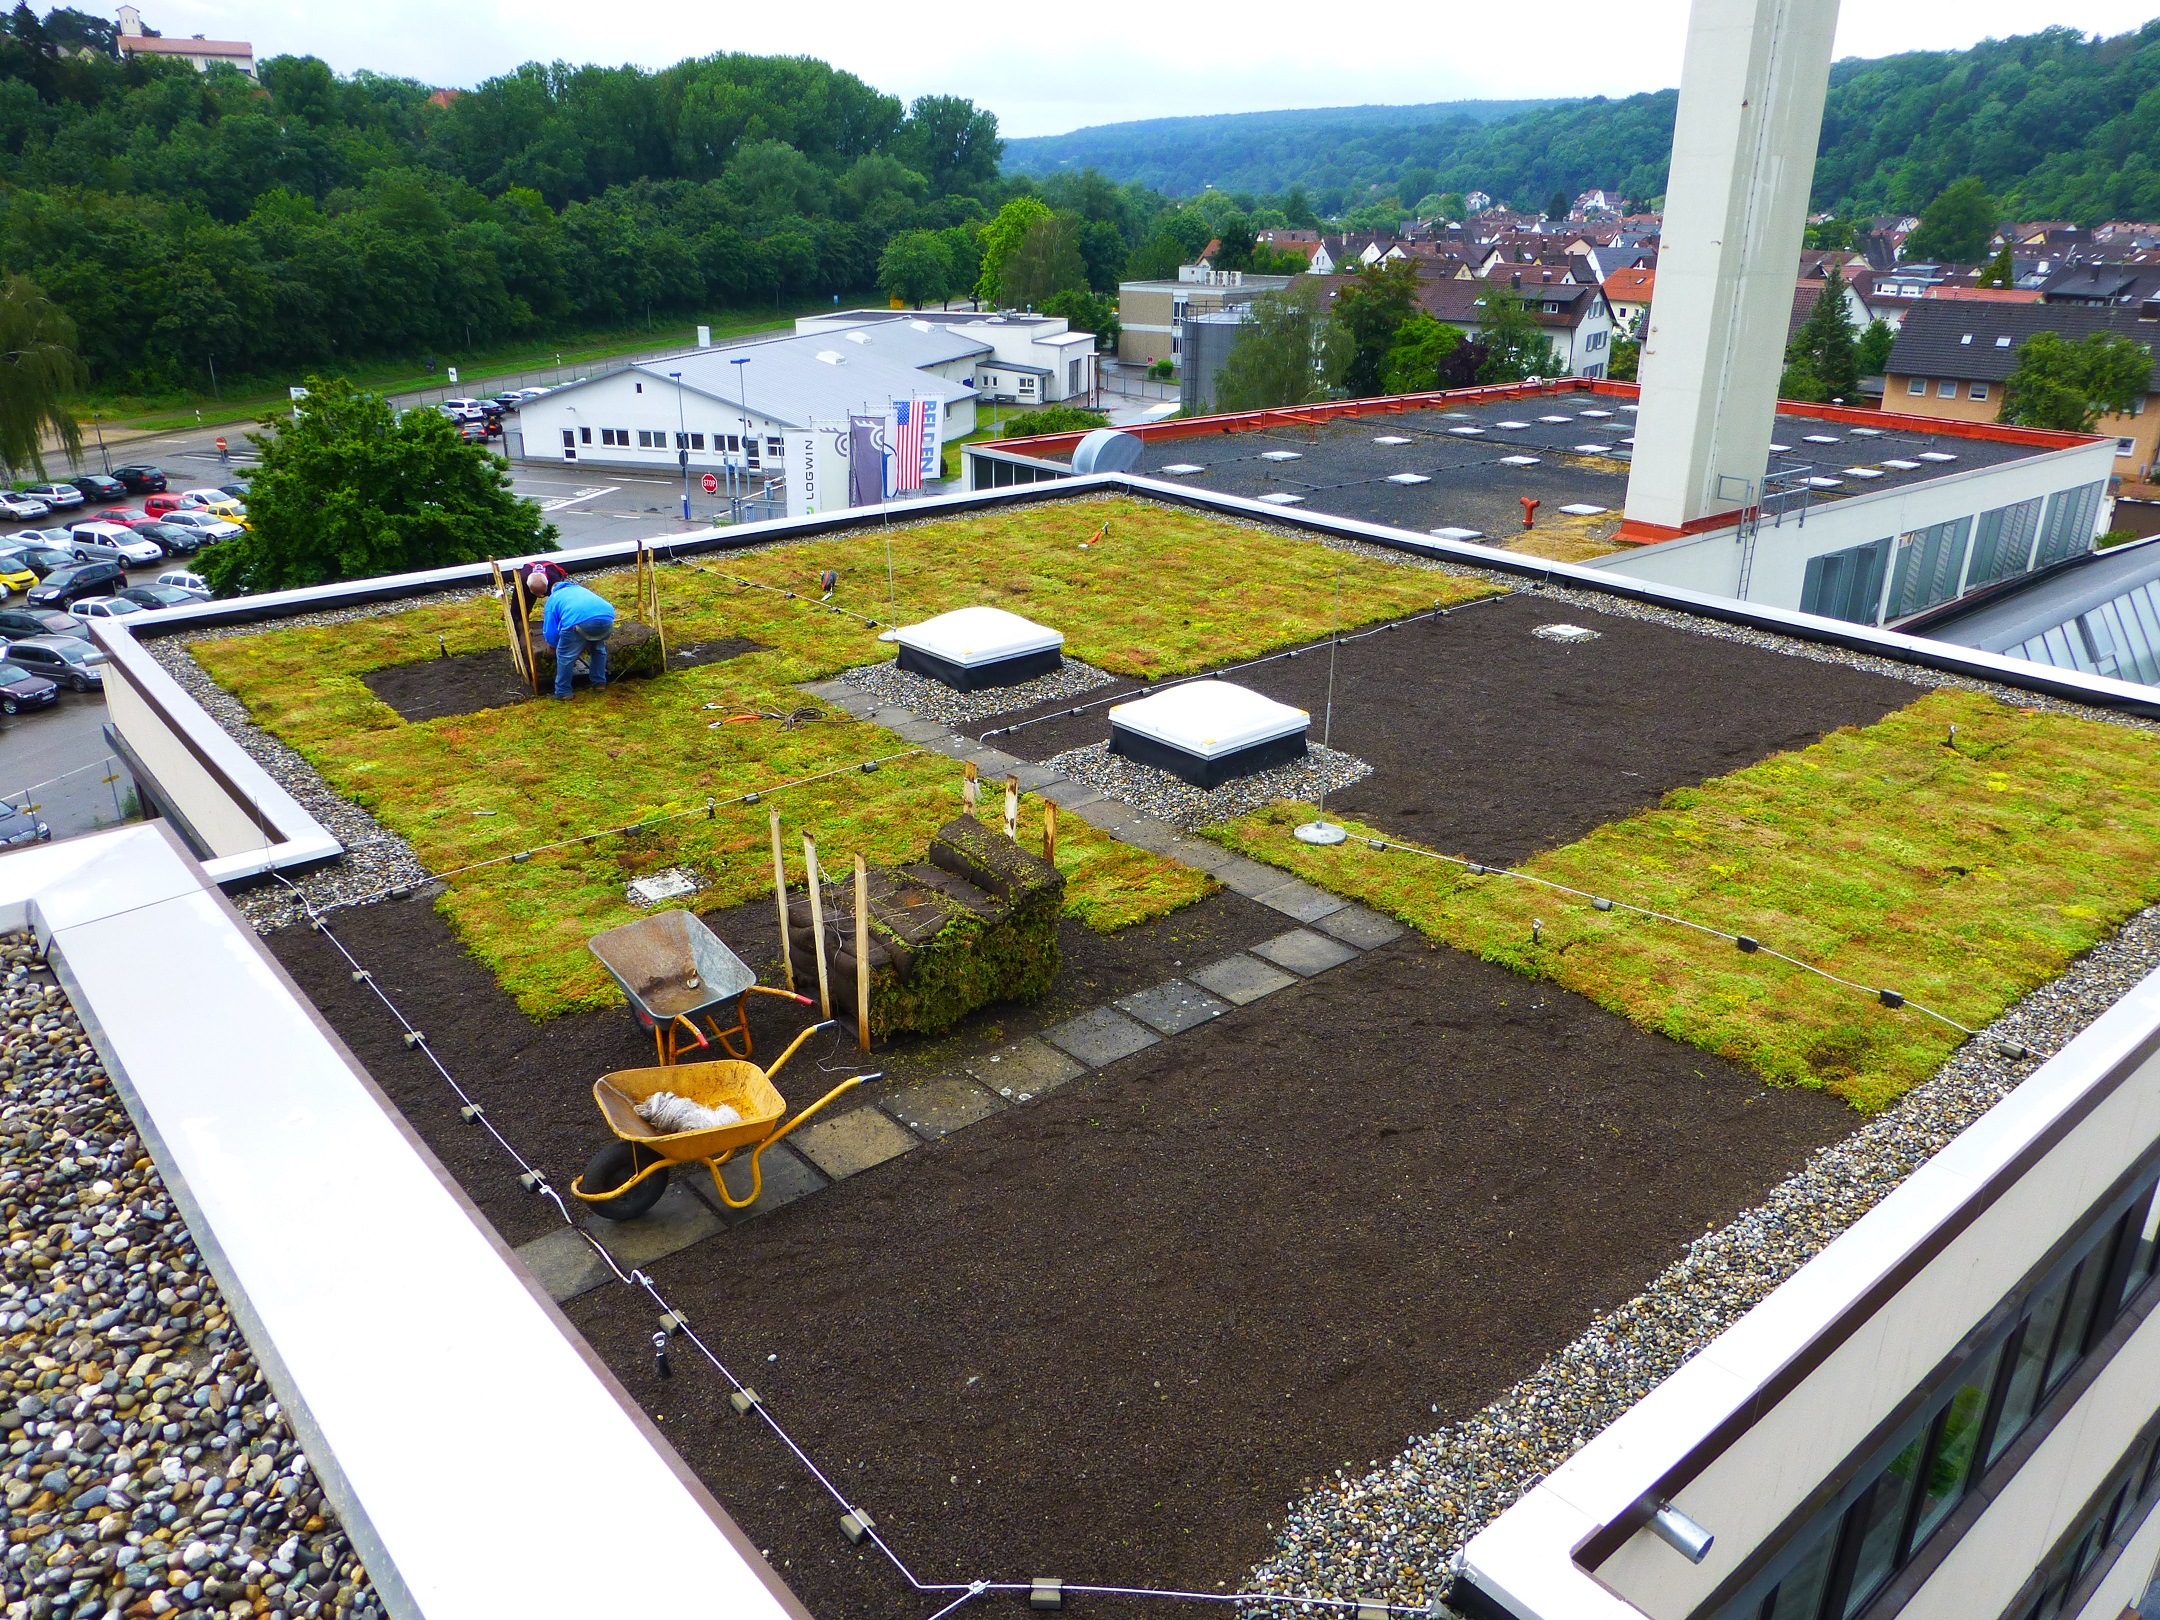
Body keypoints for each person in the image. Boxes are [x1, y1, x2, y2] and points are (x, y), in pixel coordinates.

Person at [530, 567, 615, 700]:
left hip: (578, 621)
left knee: (565, 656)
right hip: (607, 617)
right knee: (598, 649)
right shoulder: (579, 589)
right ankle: (599, 683)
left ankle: (563, 691)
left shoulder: (553, 598)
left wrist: (553, 645)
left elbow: (551, 628)